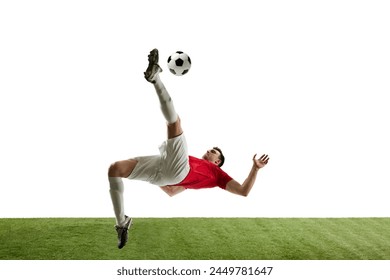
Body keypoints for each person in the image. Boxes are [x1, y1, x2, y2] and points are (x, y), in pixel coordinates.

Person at [108, 49, 270, 249]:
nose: (209, 151)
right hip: (167, 171)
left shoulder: (218, 175)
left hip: (176, 169)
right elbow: (171, 192)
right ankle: (121, 223)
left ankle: (155, 78)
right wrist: (155, 177)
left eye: (213, 151)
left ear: (217, 161)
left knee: (175, 123)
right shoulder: (194, 173)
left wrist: (255, 168)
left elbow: (244, 191)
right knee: (115, 169)